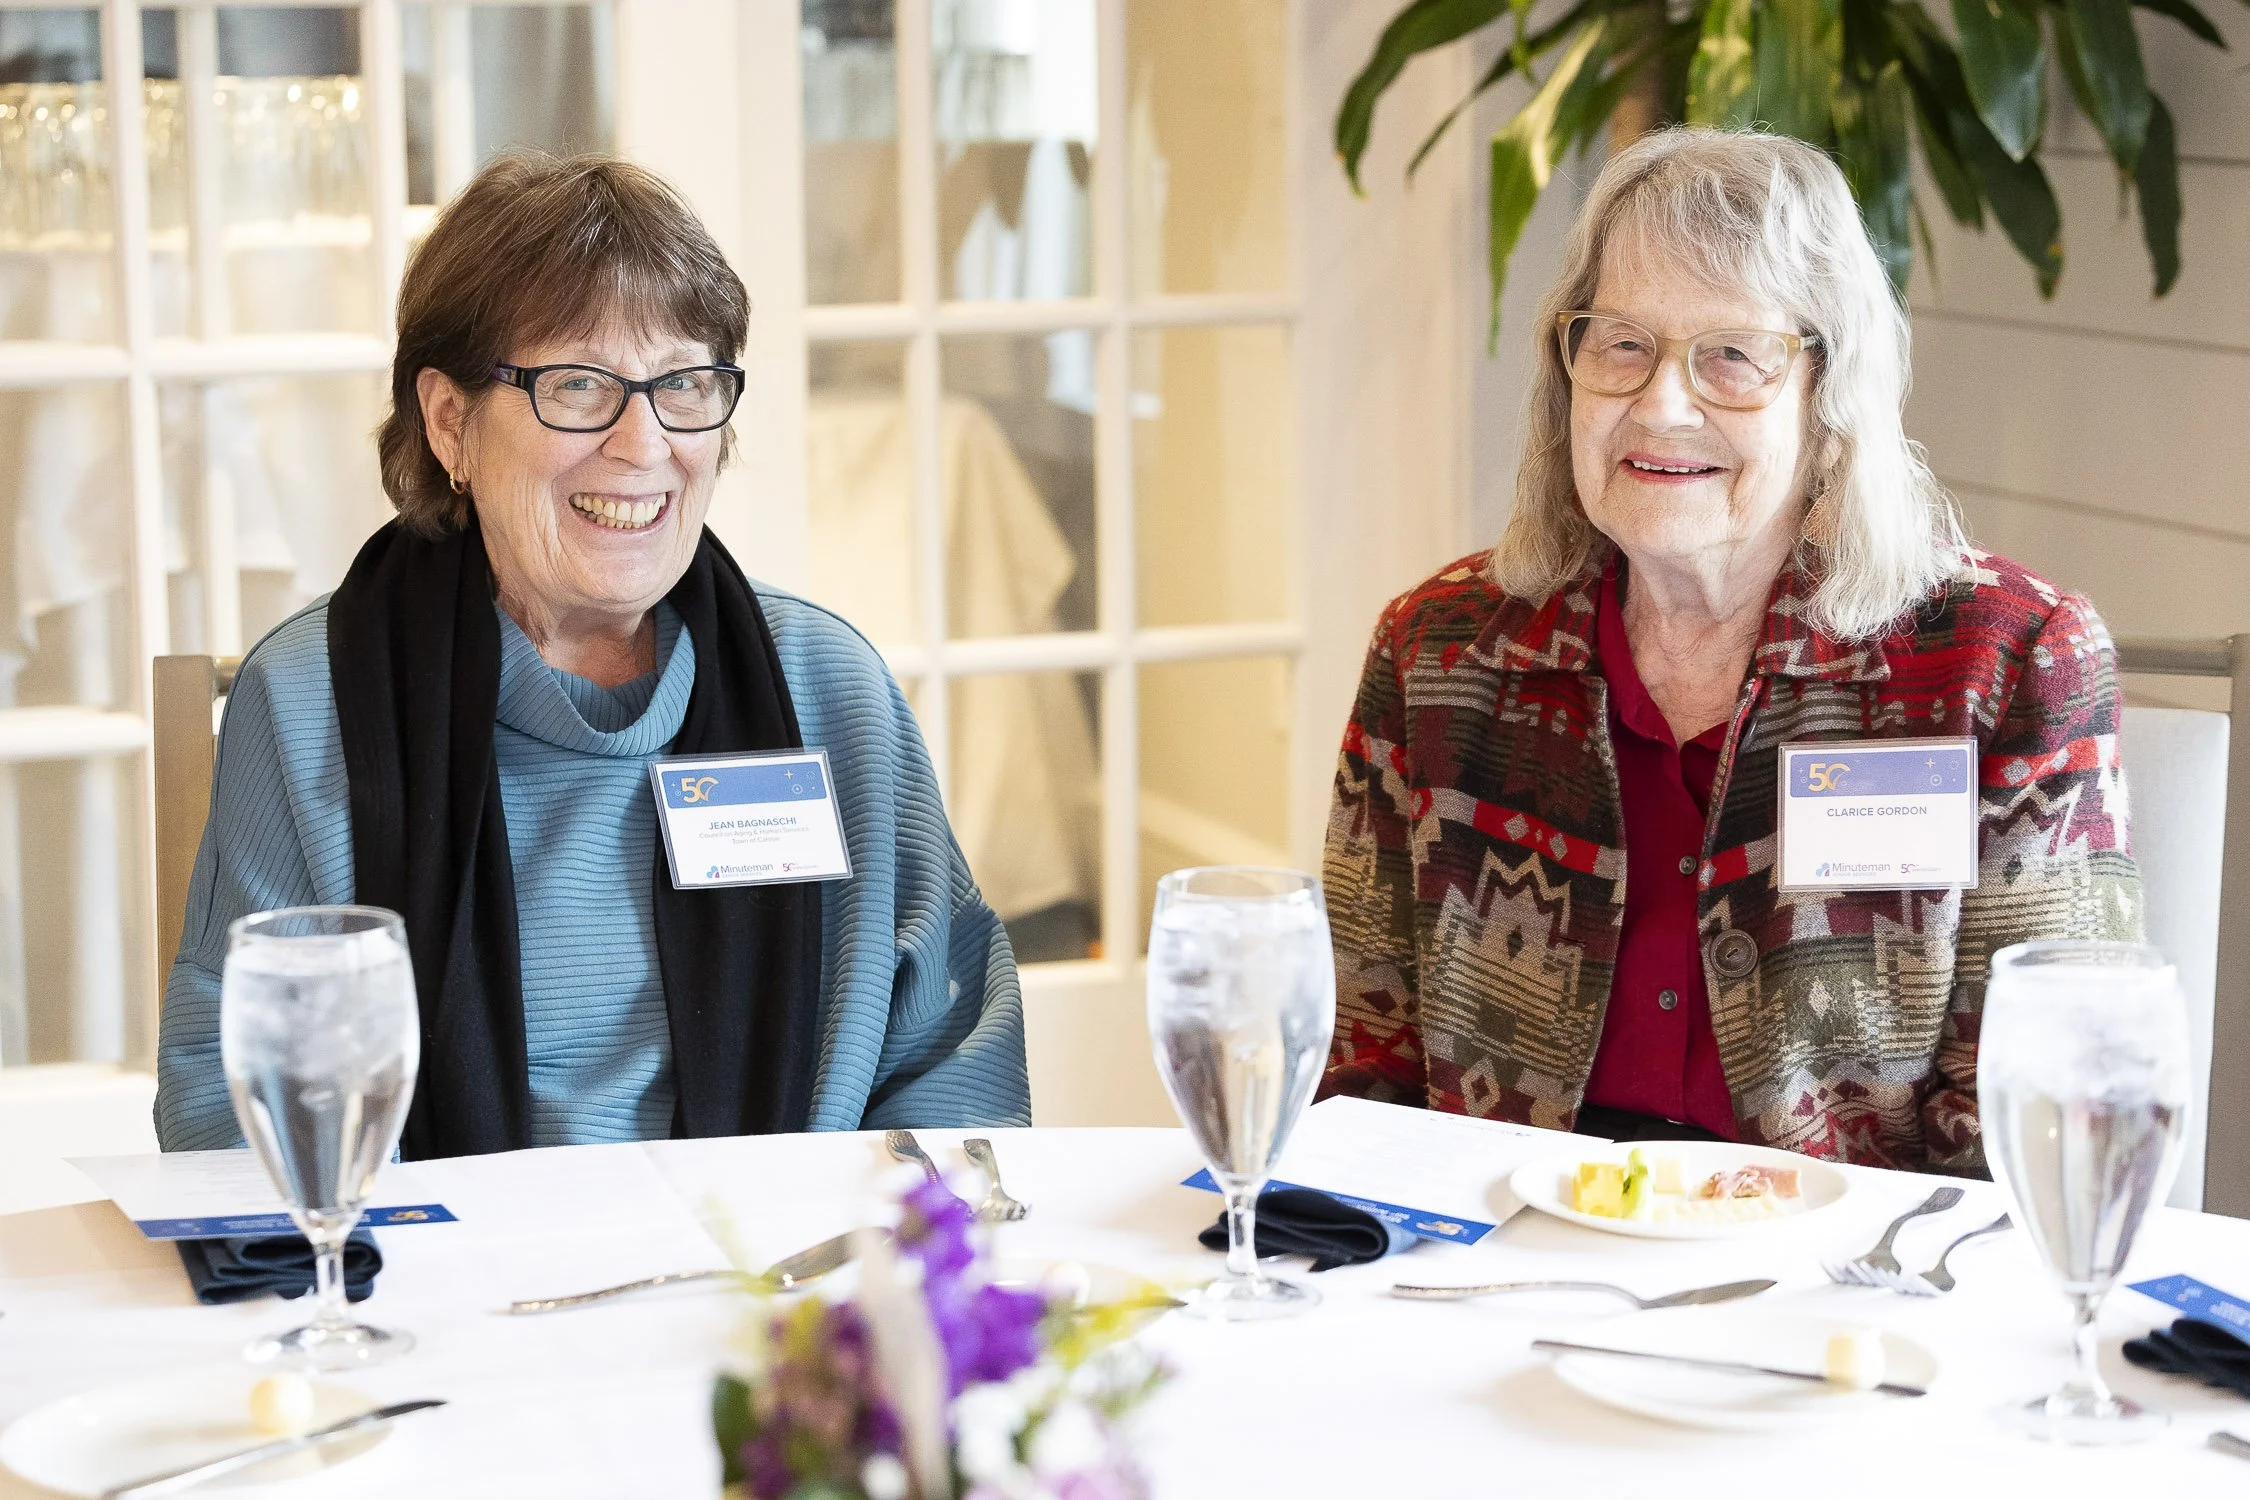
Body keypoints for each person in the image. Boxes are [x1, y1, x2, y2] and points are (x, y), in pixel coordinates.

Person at [157, 154, 1029, 1155]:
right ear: (450, 421)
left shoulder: (827, 686)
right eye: (579, 386)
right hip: (449, 1287)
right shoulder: (312, 696)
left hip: (777, 1282)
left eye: (685, 384)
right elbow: (245, 1103)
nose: (643, 443)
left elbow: (954, 1057)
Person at [1319, 127, 2140, 1172]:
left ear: (1827, 395)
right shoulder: (1442, 652)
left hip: (1848, 1284)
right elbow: (1363, 1073)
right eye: (1620, 344)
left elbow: (2052, 1107)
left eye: (1733, 357)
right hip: (1502, 1255)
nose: (1662, 405)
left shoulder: (2003, 664)